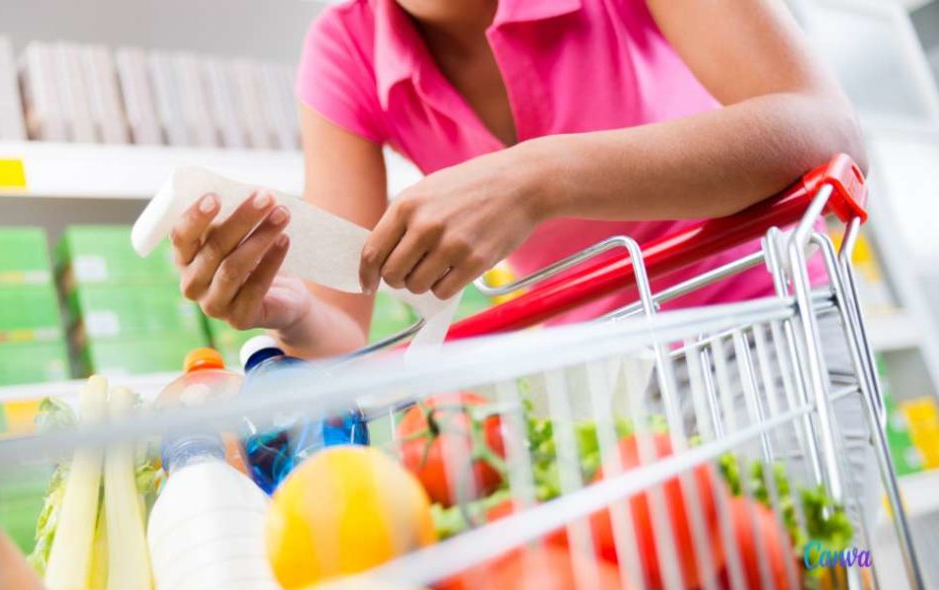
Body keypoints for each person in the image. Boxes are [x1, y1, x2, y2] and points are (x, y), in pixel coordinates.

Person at [169, 0, 864, 359]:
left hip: (766, 332)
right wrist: (283, 310)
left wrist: (540, 176)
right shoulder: (344, 47)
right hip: (602, 385)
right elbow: (341, 328)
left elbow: (827, 131)